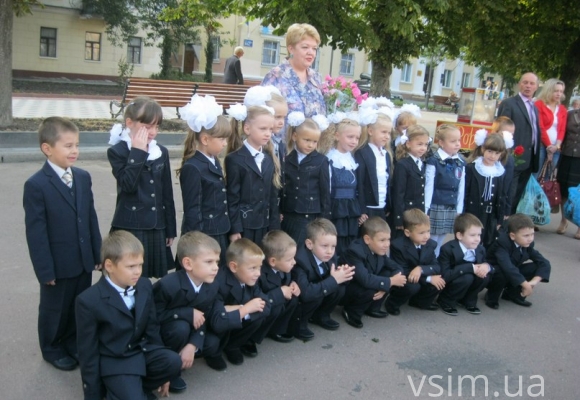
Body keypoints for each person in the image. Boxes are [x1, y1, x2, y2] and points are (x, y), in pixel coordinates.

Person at [24, 117, 102, 372]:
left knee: (77, 304)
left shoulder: (82, 177)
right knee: (54, 308)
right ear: (47, 148)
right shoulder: (36, 185)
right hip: (57, 264)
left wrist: (96, 253)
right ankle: (51, 347)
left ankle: (71, 341)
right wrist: (45, 271)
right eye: (68, 146)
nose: (74, 151)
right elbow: (36, 233)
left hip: (82, 260)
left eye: (76, 145)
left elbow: (90, 217)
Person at [76, 231, 181, 400]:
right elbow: (87, 352)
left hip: (140, 350)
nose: (138, 271)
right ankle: (118, 390)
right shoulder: (88, 301)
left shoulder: (145, 285)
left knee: (174, 361)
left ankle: (136, 388)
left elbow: (152, 328)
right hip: (116, 360)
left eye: (140, 265)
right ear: (109, 266)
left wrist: (165, 374)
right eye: (131, 266)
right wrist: (93, 394)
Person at [107, 96, 177, 278]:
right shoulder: (118, 151)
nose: (153, 132)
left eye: (157, 126)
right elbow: (128, 185)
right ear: (129, 123)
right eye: (147, 126)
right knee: (129, 276)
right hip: (131, 224)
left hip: (156, 225)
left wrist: (170, 228)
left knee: (149, 280)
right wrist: (138, 152)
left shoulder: (160, 151)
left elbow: (167, 193)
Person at [152, 232, 225, 394]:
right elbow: (153, 318)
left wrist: (192, 345)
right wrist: (186, 312)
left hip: (190, 329)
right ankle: (168, 369)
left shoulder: (211, 285)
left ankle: (183, 356)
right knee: (180, 328)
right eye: (209, 262)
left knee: (211, 343)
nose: (216, 267)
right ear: (188, 264)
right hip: (165, 332)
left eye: (217, 262)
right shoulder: (167, 286)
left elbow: (203, 317)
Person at [177, 95, 231, 264]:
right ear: (205, 139)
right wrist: (197, 241)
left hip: (219, 230)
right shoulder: (193, 167)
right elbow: (193, 209)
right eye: (221, 139)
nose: (225, 143)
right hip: (204, 235)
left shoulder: (214, 160)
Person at [226, 105, 281, 245]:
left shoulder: (269, 159)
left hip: (266, 226)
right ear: (247, 128)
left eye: (270, 129)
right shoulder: (235, 159)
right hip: (245, 228)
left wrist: (275, 229)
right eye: (263, 129)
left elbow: (272, 197)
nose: (268, 133)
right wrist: (235, 229)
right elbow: (232, 198)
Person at [292, 218, 355, 340]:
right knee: (319, 292)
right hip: (299, 300)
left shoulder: (329, 257)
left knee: (339, 287)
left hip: (316, 291)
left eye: (333, 246)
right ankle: (299, 324)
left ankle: (321, 316)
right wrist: (334, 280)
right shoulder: (300, 261)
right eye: (325, 246)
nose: (330, 251)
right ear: (309, 244)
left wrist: (343, 274)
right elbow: (306, 294)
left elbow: (334, 282)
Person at [261, 23, 326, 139]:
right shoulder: (275, 76)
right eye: (305, 47)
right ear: (291, 48)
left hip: (312, 150)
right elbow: (262, 116)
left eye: (314, 48)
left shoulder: (316, 77)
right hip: (284, 150)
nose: (311, 52)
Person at [340, 217, 407, 328]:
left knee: (389, 274)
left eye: (388, 239)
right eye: (382, 240)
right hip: (348, 289)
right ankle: (351, 312)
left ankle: (372, 308)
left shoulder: (378, 249)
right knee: (374, 285)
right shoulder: (355, 252)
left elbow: (396, 267)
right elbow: (365, 279)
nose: (387, 244)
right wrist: (389, 282)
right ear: (367, 239)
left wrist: (388, 282)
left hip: (364, 283)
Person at [215, 239, 271, 365]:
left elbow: (266, 304)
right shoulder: (218, 282)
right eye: (252, 268)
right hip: (218, 325)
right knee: (213, 339)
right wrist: (244, 308)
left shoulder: (250, 278)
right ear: (234, 267)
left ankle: (233, 345)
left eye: (259, 267)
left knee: (259, 314)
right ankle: (214, 353)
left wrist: (237, 309)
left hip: (233, 319)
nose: (258, 273)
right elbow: (216, 317)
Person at [281, 114, 331, 247]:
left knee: (302, 248)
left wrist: (323, 219)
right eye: (307, 140)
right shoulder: (287, 159)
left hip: (309, 214)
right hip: (289, 213)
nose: (310, 145)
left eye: (314, 142)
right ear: (295, 136)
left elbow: (325, 191)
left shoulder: (321, 161)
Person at [497, 72, 541, 214]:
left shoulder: (534, 107)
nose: (528, 86)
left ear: (537, 86)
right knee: (509, 194)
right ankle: (503, 226)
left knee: (517, 196)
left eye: (531, 83)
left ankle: (510, 226)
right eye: (525, 82)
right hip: (513, 158)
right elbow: (501, 131)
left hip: (529, 159)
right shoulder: (509, 104)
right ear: (519, 84)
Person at [485, 214, 551, 309]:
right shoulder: (502, 243)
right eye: (526, 235)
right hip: (492, 276)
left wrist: (532, 283)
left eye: (532, 234)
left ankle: (512, 294)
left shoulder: (528, 244)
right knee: (502, 271)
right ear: (512, 236)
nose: (530, 238)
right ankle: (491, 297)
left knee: (536, 266)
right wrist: (525, 285)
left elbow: (544, 263)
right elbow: (507, 267)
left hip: (510, 272)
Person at [386, 209, 444, 316]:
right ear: (407, 232)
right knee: (413, 286)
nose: (426, 236)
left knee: (440, 280)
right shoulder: (397, 246)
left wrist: (420, 269)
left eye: (428, 231)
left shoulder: (430, 244)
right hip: (403, 277)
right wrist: (429, 278)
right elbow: (402, 270)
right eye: (421, 233)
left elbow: (436, 266)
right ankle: (392, 303)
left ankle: (418, 302)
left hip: (419, 275)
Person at [437, 213, 493, 316]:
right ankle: (446, 301)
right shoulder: (447, 249)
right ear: (459, 235)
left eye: (479, 235)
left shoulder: (480, 249)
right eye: (472, 235)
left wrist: (486, 267)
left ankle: (468, 300)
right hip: (452, 282)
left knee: (484, 276)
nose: (477, 239)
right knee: (466, 277)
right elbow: (445, 275)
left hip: (468, 280)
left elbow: (490, 265)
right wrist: (470, 267)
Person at [323, 117, 363, 256]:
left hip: (351, 210)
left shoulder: (352, 159)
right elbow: (326, 188)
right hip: (336, 209)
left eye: (357, 138)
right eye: (350, 137)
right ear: (337, 135)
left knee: (350, 243)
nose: (354, 141)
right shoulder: (330, 159)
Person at [425, 124, 466, 255]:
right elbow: (429, 186)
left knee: (441, 238)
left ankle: (435, 260)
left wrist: (459, 209)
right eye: (453, 141)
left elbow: (461, 187)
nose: (457, 144)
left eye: (459, 141)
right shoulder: (434, 161)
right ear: (441, 143)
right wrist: (426, 209)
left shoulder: (460, 161)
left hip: (451, 206)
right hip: (436, 205)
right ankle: (428, 262)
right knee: (431, 239)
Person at [464, 132, 508, 248]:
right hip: (474, 211)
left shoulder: (500, 171)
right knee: (471, 239)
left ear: (501, 154)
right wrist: (463, 213)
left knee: (489, 240)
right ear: (483, 149)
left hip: (492, 214)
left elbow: (502, 196)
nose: (492, 156)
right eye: (489, 151)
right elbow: (465, 192)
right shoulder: (472, 168)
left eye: (496, 153)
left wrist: (500, 218)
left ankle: (483, 263)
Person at [257, 230, 300, 343]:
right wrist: (280, 292)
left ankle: (277, 329)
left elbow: (290, 278)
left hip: (275, 301)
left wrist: (293, 284)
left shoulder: (283, 266)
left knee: (293, 299)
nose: (294, 262)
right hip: (263, 305)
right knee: (276, 308)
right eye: (289, 259)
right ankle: (251, 339)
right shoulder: (259, 274)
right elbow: (258, 298)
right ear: (273, 261)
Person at [392, 125, 430, 236]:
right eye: (419, 144)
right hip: (407, 213)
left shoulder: (421, 163)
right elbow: (398, 193)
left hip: (417, 212)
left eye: (426, 144)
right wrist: (399, 218)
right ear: (408, 144)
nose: (423, 148)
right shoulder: (403, 164)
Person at [355, 110, 394, 222]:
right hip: (368, 208)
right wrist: (362, 209)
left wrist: (388, 204)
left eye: (389, 133)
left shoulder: (386, 154)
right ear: (370, 131)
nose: (387, 136)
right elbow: (360, 183)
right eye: (383, 132)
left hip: (382, 206)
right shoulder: (362, 153)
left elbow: (386, 182)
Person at [534, 78, 567, 178]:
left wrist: (557, 145)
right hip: (541, 145)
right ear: (548, 90)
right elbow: (540, 127)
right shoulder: (539, 105)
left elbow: (562, 129)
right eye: (555, 91)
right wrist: (549, 146)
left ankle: (544, 194)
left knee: (548, 178)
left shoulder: (562, 109)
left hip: (555, 147)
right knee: (535, 174)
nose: (558, 94)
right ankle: (531, 194)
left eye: (561, 91)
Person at [556, 106, 580, 239]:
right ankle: (563, 220)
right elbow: (562, 132)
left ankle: (579, 226)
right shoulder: (570, 114)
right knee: (564, 189)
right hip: (566, 156)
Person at [490, 116, 516, 220]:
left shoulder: (508, 160)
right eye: (506, 134)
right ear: (495, 132)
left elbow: (508, 187)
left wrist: (506, 210)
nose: (509, 137)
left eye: (512, 135)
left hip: (498, 204)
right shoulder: (484, 152)